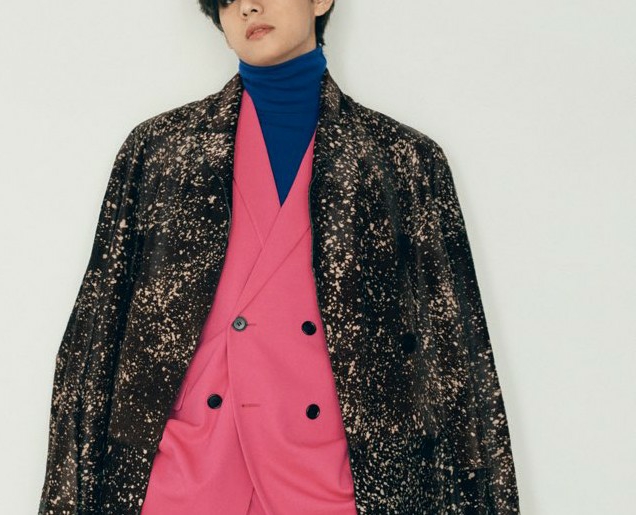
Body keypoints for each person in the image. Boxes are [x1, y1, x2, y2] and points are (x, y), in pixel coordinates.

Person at [39, 1, 520, 514]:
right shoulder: (160, 150)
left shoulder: (401, 160)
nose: (248, 7)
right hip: (185, 479)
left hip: (338, 484)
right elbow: (96, 339)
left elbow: (454, 353)